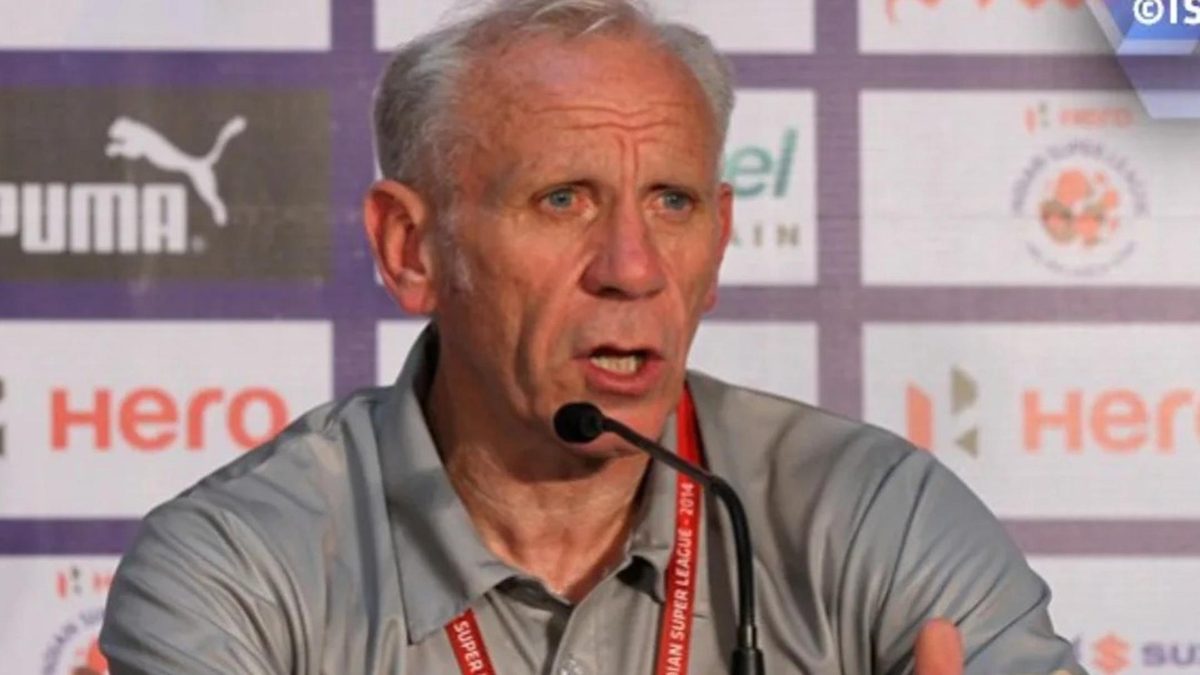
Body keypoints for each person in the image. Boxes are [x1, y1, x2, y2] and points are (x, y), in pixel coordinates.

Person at [100, 1, 1084, 673]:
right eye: (562, 198)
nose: (633, 265)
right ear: (411, 248)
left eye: (671, 201)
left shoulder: (875, 515)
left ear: (719, 240)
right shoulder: (239, 563)